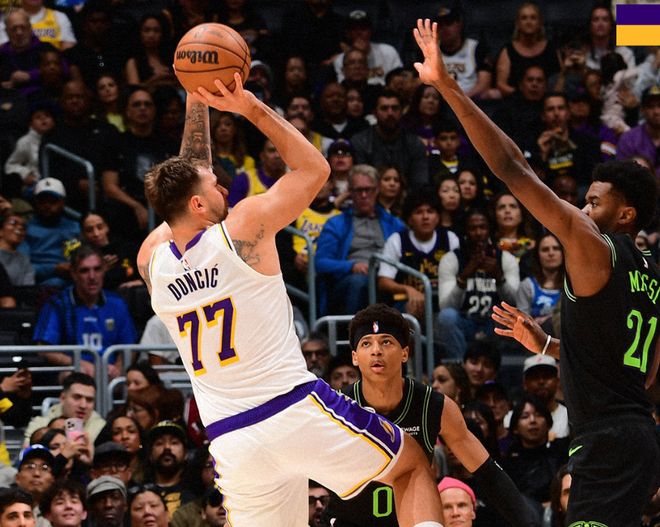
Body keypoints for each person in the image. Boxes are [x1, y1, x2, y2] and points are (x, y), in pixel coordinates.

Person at [136, 73, 446, 526]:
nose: (224, 188)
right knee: (412, 464)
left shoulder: (151, 261)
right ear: (198, 205)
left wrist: (195, 97)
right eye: (215, 186)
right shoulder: (242, 228)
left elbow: (183, 186)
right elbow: (314, 170)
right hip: (292, 410)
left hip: (232, 441)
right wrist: (249, 106)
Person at [414, 17, 660, 525]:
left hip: (604, 441)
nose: (583, 211)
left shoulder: (595, 245)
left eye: (594, 203)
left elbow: (513, 168)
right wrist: (548, 345)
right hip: (639, 439)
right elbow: (645, 371)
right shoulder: (652, 273)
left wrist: (448, 86)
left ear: (626, 215)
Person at [324, 303, 538, 527]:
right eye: (366, 343)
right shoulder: (336, 407)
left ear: (405, 353)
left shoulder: (434, 406)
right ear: (355, 357)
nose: (376, 351)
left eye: (386, 342)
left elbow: (489, 474)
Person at [33, 244, 137, 378]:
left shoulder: (117, 304)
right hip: (75, 373)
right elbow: (44, 349)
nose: (92, 276)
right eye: (84, 271)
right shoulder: (58, 304)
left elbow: (129, 346)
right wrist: (83, 365)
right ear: (74, 274)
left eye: (97, 269)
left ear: (104, 271)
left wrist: (117, 371)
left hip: (110, 374)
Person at [316, 163, 404, 315]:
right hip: (348, 281)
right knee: (358, 282)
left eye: (368, 190)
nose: (364, 195)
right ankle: (354, 328)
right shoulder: (336, 224)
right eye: (358, 190)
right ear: (350, 192)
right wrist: (351, 266)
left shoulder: (394, 223)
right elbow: (321, 262)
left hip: (385, 278)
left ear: (377, 190)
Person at [20, 177, 79, 287]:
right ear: (36, 202)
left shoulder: (75, 228)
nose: (47, 205)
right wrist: (54, 269)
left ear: (63, 202)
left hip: (73, 280)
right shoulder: (26, 229)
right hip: (39, 283)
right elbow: (23, 268)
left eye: (53, 201)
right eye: (42, 201)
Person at [22, 372, 105, 446]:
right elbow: (27, 454)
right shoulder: (40, 425)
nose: (83, 405)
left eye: (89, 400)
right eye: (77, 397)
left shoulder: (102, 428)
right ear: (62, 398)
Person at [522, 355, 569, 440]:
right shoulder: (512, 418)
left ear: (557, 381)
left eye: (547, 376)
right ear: (525, 384)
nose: (541, 381)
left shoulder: (569, 417)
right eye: (535, 377)